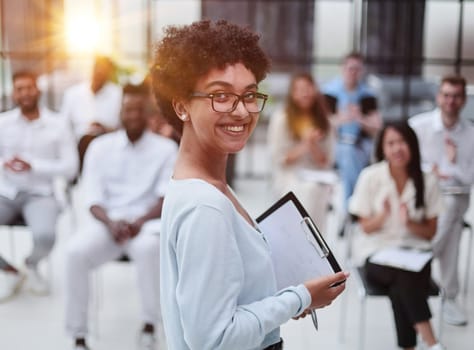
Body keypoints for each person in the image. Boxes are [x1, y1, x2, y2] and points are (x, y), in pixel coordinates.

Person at [152, 19, 348, 350]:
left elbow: (227, 299)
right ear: (181, 105)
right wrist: (299, 297)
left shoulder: (201, 184)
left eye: (249, 95)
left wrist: (276, 298)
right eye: (220, 95)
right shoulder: (206, 206)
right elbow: (214, 339)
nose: (241, 111)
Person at [65, 83, 177, 350]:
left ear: (148, 113)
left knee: (150, 250)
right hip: (108, 224)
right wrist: (111, 222)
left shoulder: (166, 149)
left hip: (146, 226)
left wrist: (139, 221)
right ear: (120, 113)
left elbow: (166, 197)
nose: (133, 115)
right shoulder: (100, 147)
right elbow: (91, 197)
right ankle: (78, 336)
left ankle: (150, 325)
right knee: (74, 253)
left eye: (139, 110)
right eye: (128, 110)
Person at [349, 121, 444, 350]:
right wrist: (382, 216)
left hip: (415, 254)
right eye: (391, 143)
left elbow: (431, 233)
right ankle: (432, 343)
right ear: (383, 148)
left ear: (412, 145)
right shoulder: (370, 176)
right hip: (376, 253)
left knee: (401, 282)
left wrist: (409, 223)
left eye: (402, 142)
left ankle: (411, 347)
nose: (397, 148)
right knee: (403, 276)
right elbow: (365, 228)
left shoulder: (428, 180)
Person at [0, 71, 78, 295]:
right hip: (6, 191)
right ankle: (10, 271)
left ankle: (31, 264)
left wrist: (33, 165)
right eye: (19, 89)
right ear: (14, 94)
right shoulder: (3, 122)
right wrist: (5, 163)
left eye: (28, 88)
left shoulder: (58, 124)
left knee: (45, 237)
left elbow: (70, 167)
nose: (25, 93)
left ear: (38, 91)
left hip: (41, 192)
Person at [409, 75, 474, 326]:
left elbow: (469, 179)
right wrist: (431, 172)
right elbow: (405, 164)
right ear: (438, 97)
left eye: (456, 96)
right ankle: (448, 295)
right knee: (453, 228)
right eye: (446, 95)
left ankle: (422, 259)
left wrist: (452, 163)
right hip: (422, 198)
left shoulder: (470, 135)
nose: (451, 101)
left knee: (452, 209)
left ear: (463, 100)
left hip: (454, 199)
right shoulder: (418, 126)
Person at [268, 72, 335, 234]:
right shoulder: (281, 118)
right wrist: (306, 144)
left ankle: (315, 238)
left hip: (317, 173)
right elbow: (280, 158)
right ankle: (297, 236)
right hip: (290, 174)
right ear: (292, 93)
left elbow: (326, 161)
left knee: (316, 190)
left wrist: (313, 145)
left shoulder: (325, 120)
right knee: (306, 191)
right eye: (299, 89)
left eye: (308, 88)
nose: (304, 93)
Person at [323, 52, 382, 210]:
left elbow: (377, 128)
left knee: (351, 155)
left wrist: (359, 118)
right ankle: (354, 204)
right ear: (342, 69)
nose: (353, 73)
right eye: (350, 68)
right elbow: (322, 125)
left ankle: (349, 206)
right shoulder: (330, 93)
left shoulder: (367, 95)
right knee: (348, 155)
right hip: (336, 144)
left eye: (357, 69)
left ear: (362, 71)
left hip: (361, 145)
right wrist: (342, 118)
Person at [61, 56, 122, 173]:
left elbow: (122, 129)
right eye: (97, 69)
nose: (99, 73)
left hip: (107, 146)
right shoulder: (72, 94)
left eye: (104, 70)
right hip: (78, 147)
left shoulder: (118, 94)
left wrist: (105, 128)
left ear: (109, 73)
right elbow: (64, 127)